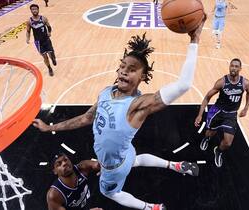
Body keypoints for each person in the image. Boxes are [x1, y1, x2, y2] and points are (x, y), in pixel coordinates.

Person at [34, 16, 206, 210]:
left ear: (143, 77)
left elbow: (184, 84)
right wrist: (50, 127)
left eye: (131, 70)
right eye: (122, 66)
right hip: (125, 153)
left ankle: (152, 208)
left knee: (110, 192)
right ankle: (174, 165)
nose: (124, 71)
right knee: (135, 159)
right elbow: (86, 118)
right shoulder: (106, 92)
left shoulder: (139, 105)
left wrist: (194, 40)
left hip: (112, 168)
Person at [194, 58, 249, 167]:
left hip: (231, 114)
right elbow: (207, 97)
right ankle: (207, 139)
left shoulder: (245, 83)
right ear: (229, 67)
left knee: (228, 143)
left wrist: (246, 108)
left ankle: (218, 151)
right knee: (210, 132)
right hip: (218, 111)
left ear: (240, 69)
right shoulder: (222, 82)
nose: (233, 68)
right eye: (232, 66)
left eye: (236, 66)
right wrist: (200, 114)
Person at [26, 4, 57, 76]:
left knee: (51, 54)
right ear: (31, 10)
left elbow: (49, 27)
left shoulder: (43, 18)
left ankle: (53, 58)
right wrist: (27, 38)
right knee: (45, 56)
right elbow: (28, 31)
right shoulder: (29, 21)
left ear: (38, 10)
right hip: (38, 42)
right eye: (33, 9)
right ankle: (49, 68)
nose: (34, 10)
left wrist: (49, 32)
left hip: (46, 39)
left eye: (35, 9)